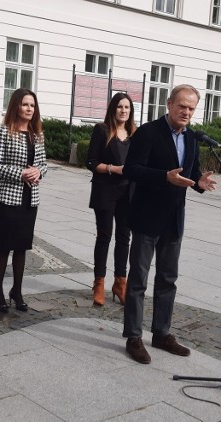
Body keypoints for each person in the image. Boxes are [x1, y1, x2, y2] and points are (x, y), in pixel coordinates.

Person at [122, 84, 217, 364]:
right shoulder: (149, 132)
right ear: (169, 104)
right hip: (146, 216)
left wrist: (199, 182)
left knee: (168, 279)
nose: (186, 112)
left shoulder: (192, 138)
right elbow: (132, 170)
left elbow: (192, 171)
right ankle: (134, 336)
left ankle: (162, 332)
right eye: (182, 106)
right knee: (138, 279)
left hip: (174, 218)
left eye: (191, 108)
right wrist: (164, 176)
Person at [0, 89, 47, 312]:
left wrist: (39, 172)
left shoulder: (37, 134)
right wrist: (20, 173)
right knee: (4, 246)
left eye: (32, 105)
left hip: (29, 199)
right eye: (25, 104)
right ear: (16, 106)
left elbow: (44, 163)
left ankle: (17, 290)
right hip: (8, 197)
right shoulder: (3, 131)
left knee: (22, 247)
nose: (29, 109)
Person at [85, 93, 136, 306]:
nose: (123, 110)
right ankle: (99, 282)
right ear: (113, 109)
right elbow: (90, 161)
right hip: (105, 190)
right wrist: (112, 169)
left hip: (128, 194)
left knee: (124, 238)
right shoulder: (102, 130)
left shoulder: (135, 134)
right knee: (104, 236)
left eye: (127, 107)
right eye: (119, 107)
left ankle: (120, 282)